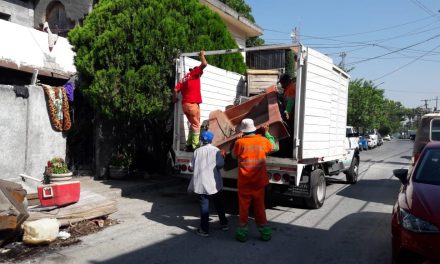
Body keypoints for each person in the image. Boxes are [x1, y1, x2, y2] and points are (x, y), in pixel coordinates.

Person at [231, 118, 278, 242]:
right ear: (253, 128)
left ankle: (242, 233)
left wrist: (236, 141)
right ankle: (265, 233)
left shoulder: (240, 143)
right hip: (259, 182)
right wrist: (267, 133)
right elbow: (274, 147)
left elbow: (233, 156)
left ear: (243, 131)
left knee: (243, 208)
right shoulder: (262, 141)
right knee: (259, 208)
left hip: (244, 182)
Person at [187, 130, 229, 237]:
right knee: (219, 203)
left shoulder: (197, 151)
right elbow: (220, 165)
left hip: (201, 183)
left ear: (201, 139)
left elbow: (191, 167)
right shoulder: (216, 151)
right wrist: (223, 157)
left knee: (204, 206)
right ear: (211, 140)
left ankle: (204, 230)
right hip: (214, 183)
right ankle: (224, 224)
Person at [174, 50, 208, 152]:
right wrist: (202, 55)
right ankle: (195, 146)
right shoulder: (194, 73)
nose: (200, 74)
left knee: (192, 124)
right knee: (197, 125)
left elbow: (175, 90)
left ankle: (189, 145)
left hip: (185, 105)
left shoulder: (184, 79)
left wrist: (174, 99)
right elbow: (204, 64)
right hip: (192, 104)